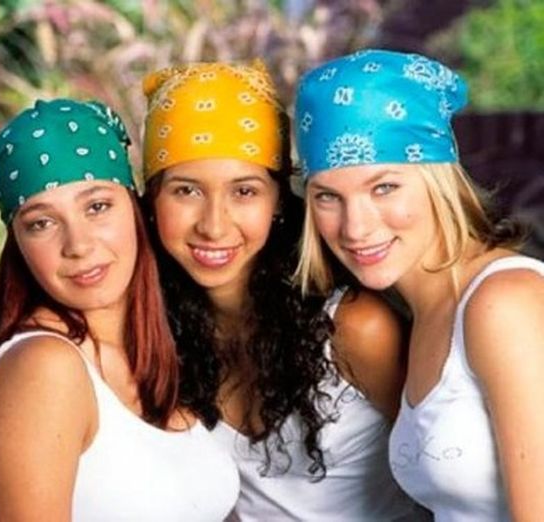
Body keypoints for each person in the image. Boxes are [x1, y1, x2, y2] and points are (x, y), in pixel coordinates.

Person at [141, 61, 419, 519]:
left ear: (277, 202)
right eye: (186, 191)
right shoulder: (154, 335)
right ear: (152, 202)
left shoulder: (355, 328)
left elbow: (445, 481)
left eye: (244, 192)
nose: (213, 225)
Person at [295, 48, 544, 520]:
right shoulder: (428, 315)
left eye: (383, 187)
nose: (356, 227)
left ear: (438, 180)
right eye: (328, 196)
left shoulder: (504, 303)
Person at [0, 98, 239, 521]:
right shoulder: (45, 367)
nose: (78, 245)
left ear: (135, 208)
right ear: (19, 245)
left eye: (97, 207)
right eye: (41, 223)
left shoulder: (160, 346)